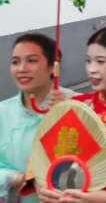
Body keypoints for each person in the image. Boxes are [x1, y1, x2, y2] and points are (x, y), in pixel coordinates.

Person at [34, 20, 106, 203]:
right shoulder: (76, 107)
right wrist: (43, 189)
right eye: (88, 61)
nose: (91, 69)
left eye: (101, 61)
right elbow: (42, 161)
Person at [0, 34, 77, 203]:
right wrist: (22, 179)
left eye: (32, 60)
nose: (22, 68)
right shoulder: (2, 112)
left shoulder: (79, 105)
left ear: (53, 66)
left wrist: (68, 116)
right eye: (15, 62)